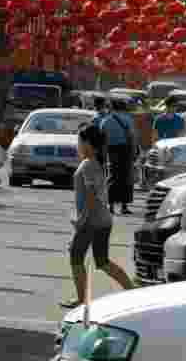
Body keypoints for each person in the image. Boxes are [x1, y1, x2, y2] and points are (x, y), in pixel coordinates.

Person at [60, 124, 134, 309]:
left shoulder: (88, 165)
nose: (77, 145)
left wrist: (81, 221)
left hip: (92, 221)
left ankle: (82, 299)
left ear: (87, 144)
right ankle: (132, 291)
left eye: (79, 141)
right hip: (101, 220)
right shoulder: (95, 163)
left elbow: (91, 196)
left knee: (76, 257)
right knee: (102, 262)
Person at [100, 98, 136, 215]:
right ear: (123, 108)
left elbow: (103, 139)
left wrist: (103, 155)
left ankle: (110, 206)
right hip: (125, 150)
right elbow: (131, 136)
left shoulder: (105, 121)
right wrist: (134, 152)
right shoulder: (128, 119)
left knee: (112, 177)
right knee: (125, 177)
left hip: (111, 150)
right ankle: (124, 206)